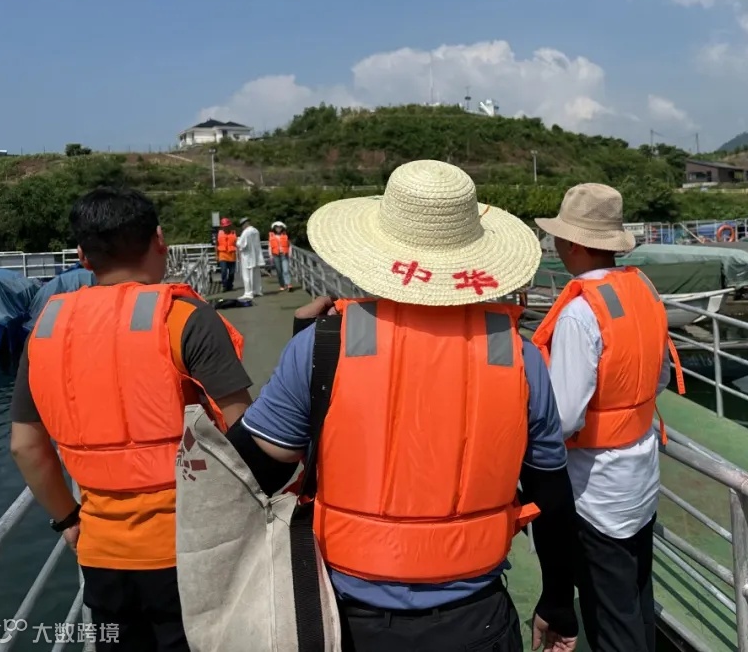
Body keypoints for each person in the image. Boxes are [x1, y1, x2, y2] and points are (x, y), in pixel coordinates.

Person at [221, 159, 580, 652]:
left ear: (376, 250)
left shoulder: (324, 345)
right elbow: (552, 494)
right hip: (476, 617)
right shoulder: (518, 355)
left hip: (349, 619)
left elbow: (254, 466)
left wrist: (304, 353)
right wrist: (558, 601)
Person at [8, 187, 254, 652]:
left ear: (82, 255)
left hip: (102, 553)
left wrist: (68, 520)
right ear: (159, 240)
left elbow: (24, 445)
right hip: (194, 547)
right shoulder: (185, 318)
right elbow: (243, 430)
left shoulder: (45, 329)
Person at [531, 183, 683, 652]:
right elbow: (660, 377)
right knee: (635, 600)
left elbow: (564, 417)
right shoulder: (642, 290)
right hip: (640, 477)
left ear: (573, 244)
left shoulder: (580, 313)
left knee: (609, 617)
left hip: (595, 490)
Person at [236, 216, 264, 299]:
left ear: (244, 224)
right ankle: (257, 290)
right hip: (256, 256)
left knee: (247, 275)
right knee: (256, 275)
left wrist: (237, 240)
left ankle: (248, 292)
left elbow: (241, 244)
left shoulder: (246, 232)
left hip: (247, 256)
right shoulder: (255, 230)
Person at [268, 220, 293, 291]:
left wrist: (290, 253)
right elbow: (270, 246)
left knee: (286, 270)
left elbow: (290, 245)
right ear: (274, 228)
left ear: (282, 228)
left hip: (284, 254)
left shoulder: (286, 235)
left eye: (280, 227)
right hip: (275, 255)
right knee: (279, 271)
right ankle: (282, 285)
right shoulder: (271, 235)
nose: (278, 229)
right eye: (277, 227)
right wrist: (270, 255)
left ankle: (288, 284)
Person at [216, 217, 238, 292]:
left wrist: (239, 255)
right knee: (224, 271)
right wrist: (216, 255)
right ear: (222, 227)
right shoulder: (219, 234)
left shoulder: (233, 233)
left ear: (229, 226)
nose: (225, 228)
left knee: (232, 273)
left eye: (227, 226)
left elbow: (237, 244)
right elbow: (216, 245)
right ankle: (224, 285)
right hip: (222, 255)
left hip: (232, 255)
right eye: (224, 226)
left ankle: (230, 285)